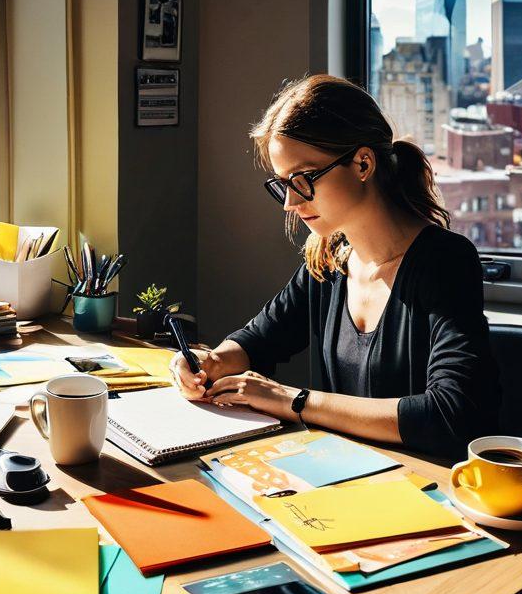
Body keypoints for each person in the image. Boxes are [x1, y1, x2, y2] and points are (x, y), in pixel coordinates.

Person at [171, 75, 499, 459]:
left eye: (304, 179)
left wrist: (293, 401)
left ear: (362, 163)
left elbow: (451, 414)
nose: (290, 203)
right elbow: (260, 339)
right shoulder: (329, 258)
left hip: (425, 488)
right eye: (283, 184)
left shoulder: (444, 260)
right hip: (344, 478)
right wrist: (211, 362)